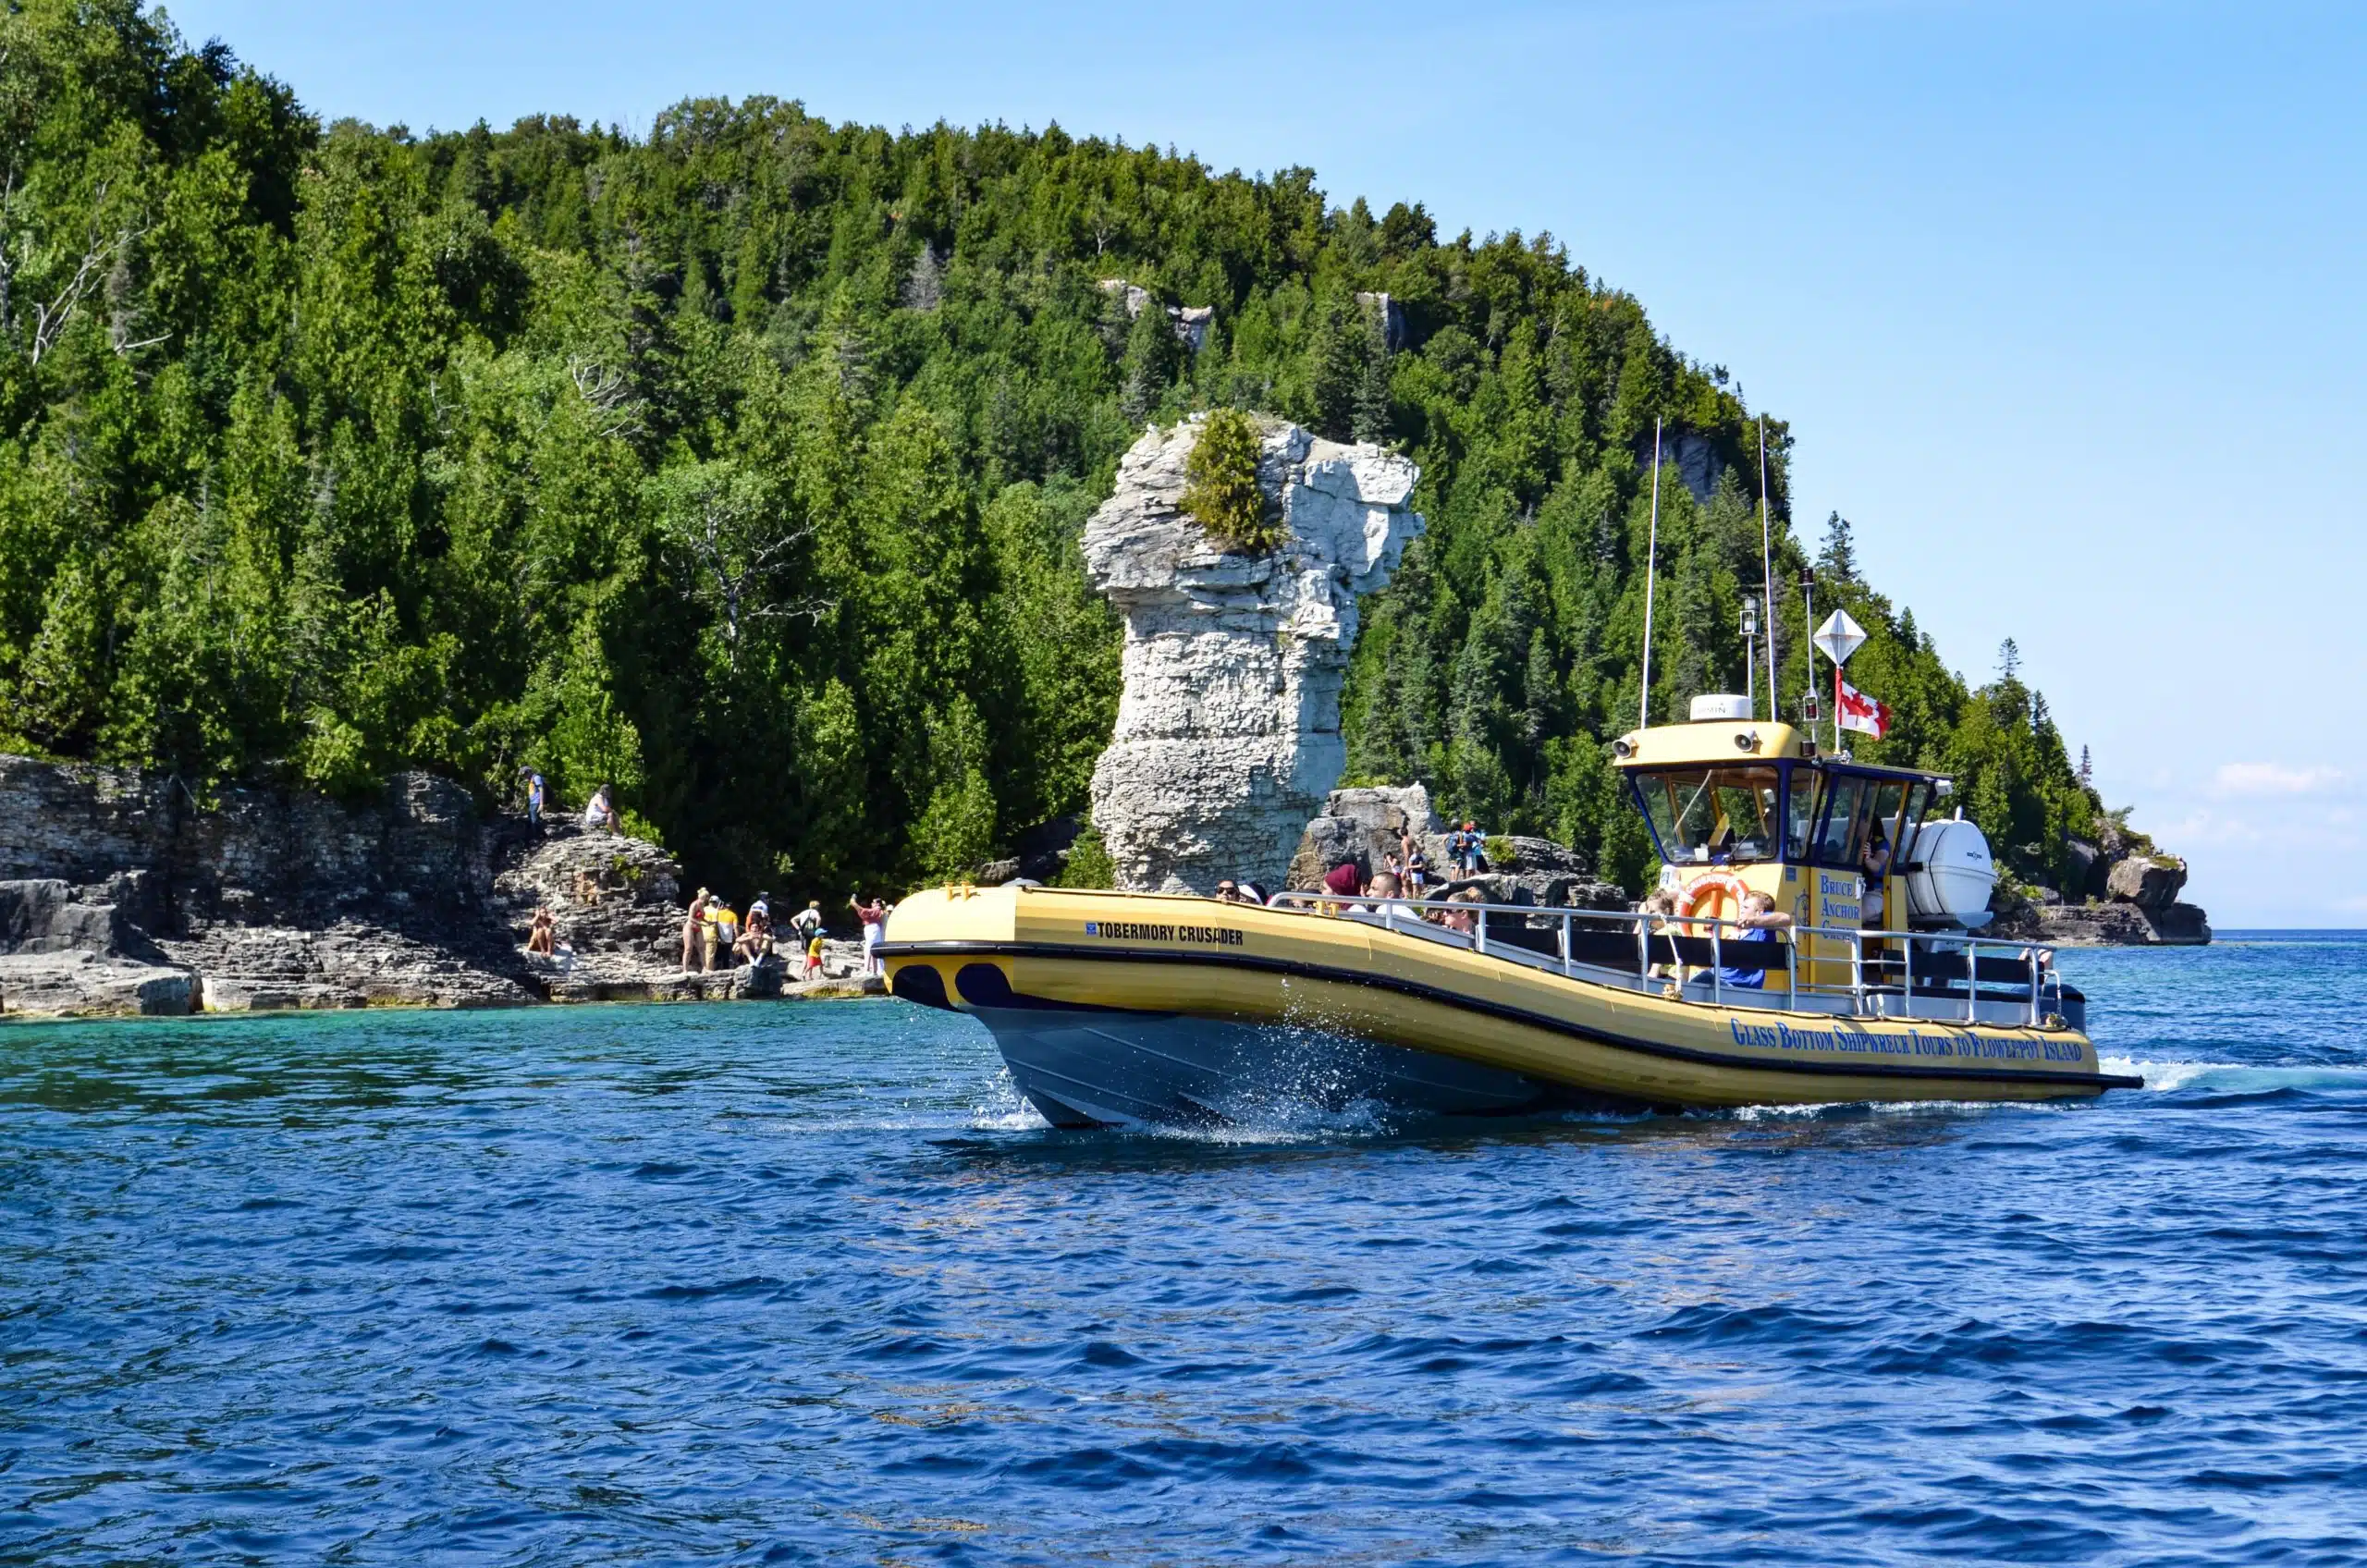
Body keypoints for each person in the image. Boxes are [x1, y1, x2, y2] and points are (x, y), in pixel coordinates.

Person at [1712, 889, 1795, 991]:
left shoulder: (1762, 929)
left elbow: (1785, 918)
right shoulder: (1737, 931)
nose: (1741, 910)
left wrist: (1753, 921)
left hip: (1732, 985)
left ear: (1759, 912)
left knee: (1699, 980)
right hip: (1716, 980)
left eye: (1746, 908)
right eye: (1741, 907)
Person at [1860, 824, 1893, 928]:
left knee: (1849, 919)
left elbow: (1877, 866)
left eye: (1855, 821)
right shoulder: (1853, 842)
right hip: (1853, 893)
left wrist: (1868, 859)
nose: (1852, 825)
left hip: (1874, 894)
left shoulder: (1881, 844)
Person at [850, 893, 888, 976]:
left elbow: (864, 912)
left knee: (869, 949)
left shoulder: (877, 910)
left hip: (873, 929)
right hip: (872, 929)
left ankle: (867, 970)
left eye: (873, 903)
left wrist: (854, 904)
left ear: (877, 904)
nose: (872, 904)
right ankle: (874, 971)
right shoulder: (879, 911)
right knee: (871, 949)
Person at [681, 889, 712, 972]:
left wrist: (708, 922)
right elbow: (690, 918)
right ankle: (685, 970)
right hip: (690, 927)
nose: (708, 899)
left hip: (698, 928)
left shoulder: (702, 906)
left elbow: (701, 917)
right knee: (688, 949)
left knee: (702, 948)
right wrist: (702, 924)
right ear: (704, 897)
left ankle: (705, 968)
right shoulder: (694, 904)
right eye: (707, 897)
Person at [709, 900, 740, 969]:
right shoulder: (733, 915)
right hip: (728, 939)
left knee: (717, 956)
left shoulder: (717, 913)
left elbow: (714, 924)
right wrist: (738, 938)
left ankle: (715, 970)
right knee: (726, 957)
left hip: (717, 937)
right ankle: (726, 971)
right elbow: (735, 928)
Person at [1400, 828, 1430, 895]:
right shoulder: (1411, 839)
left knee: (1403, 877)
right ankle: (1417, 893)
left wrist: (1406, 865)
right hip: (1416, 859)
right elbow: (1419, 849)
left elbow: (1407, 853)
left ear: (1401, 834)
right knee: (1412, 877)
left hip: (1410, 861)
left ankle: (1408, 894)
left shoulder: (1404, 841)